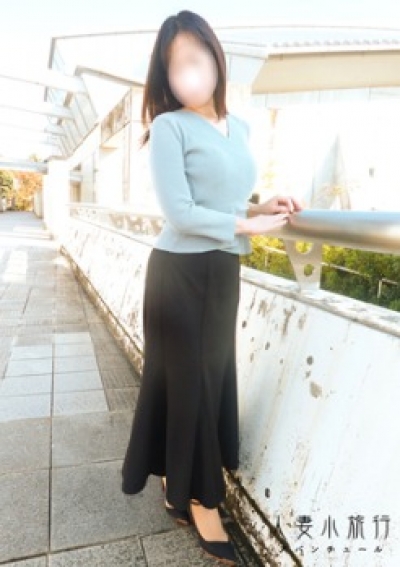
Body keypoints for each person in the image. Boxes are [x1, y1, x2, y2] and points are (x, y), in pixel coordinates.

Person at [121, 10, 302, 565]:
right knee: (192, 386)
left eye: (195, 59)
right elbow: (179, 211)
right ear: (165, 76)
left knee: (204, 380)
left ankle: (176, 483)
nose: (187, 74)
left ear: (216, 60)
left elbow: (222, 199)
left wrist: (259, 207)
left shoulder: (239, 126)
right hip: (179, 274)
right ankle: (201, 499)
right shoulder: (169, 127)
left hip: (222, 269)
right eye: (174, 66)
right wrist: (246, 225)